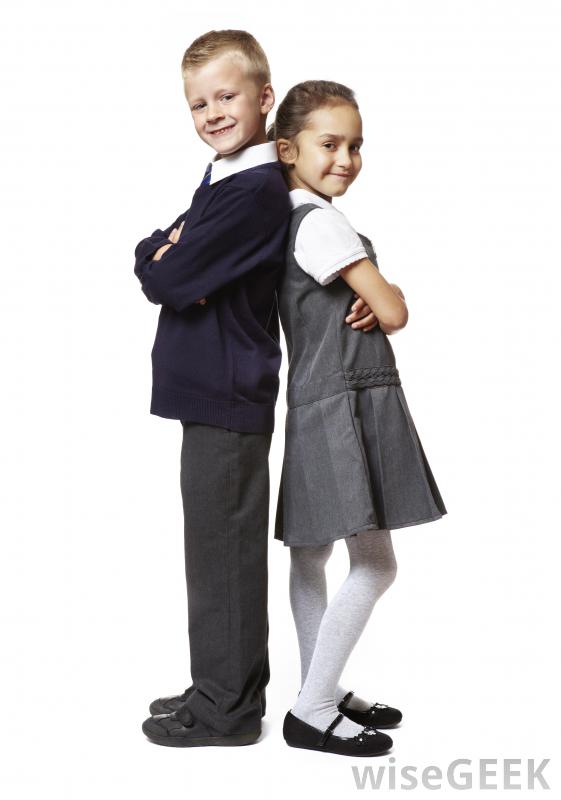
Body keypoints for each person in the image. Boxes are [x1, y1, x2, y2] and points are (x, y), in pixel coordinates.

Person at [133, 35, 375, 748]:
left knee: (224, 556)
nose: (211, 112)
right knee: (211, 553)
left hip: (227, 390)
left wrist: (168, 257)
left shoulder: (253, 190)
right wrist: (162, 251)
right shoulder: (227, 176)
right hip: (210, 388)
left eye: (226, 96)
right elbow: (159, 254)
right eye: (197, 103)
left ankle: (227, 709)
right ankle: (217, 683)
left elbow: (169, 276)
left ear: (264, 99)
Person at [268, 80, 448, 757]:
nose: (345, 158)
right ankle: (312, 708)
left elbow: (380, 303)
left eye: (355, 145)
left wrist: (376, 287)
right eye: (329, 144)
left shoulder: (297, 219)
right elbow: (394, 311)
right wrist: (385, 289)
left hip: (319, 399)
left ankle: (322, 684)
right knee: (375, 564)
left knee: (312, 554)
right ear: (287, 150)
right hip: (346, 402)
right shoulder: (321, 224)